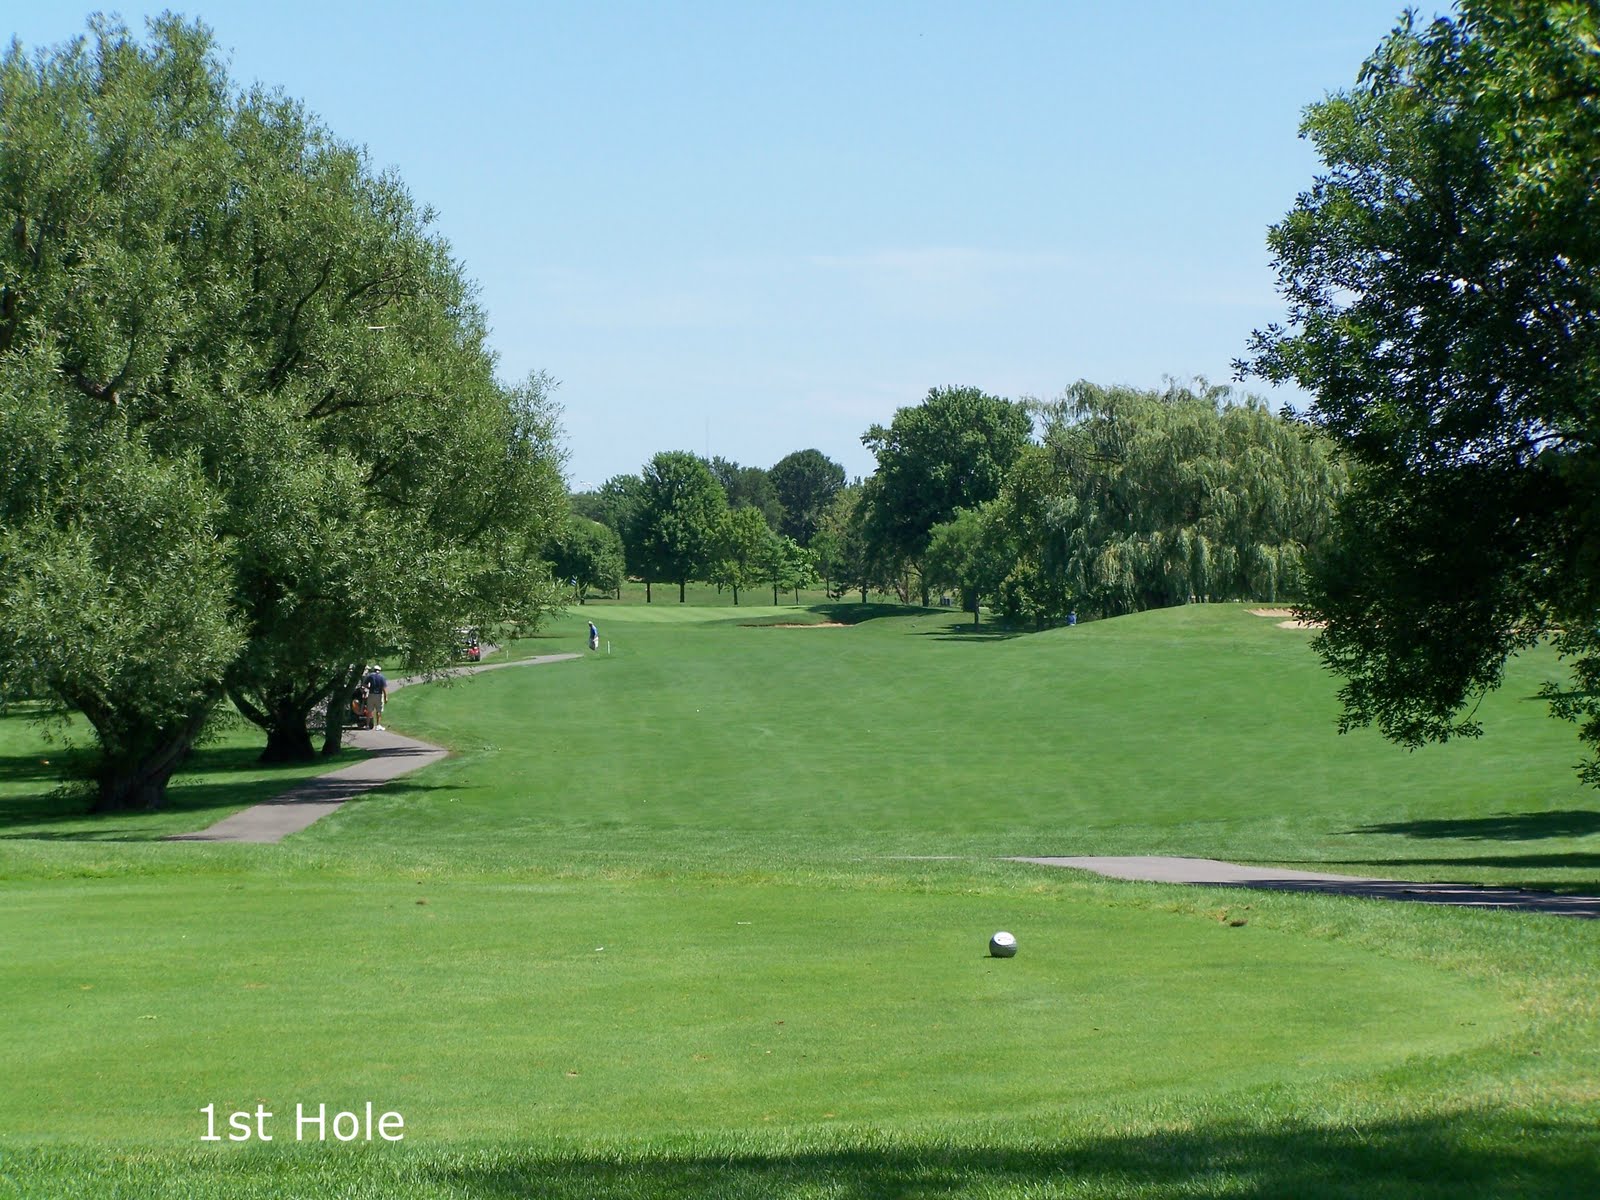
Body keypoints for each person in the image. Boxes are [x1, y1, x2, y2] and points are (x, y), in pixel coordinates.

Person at [365, 664, 388, 730]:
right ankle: (378, 725)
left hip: (371, 694)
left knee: (369, 711)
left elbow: (364, 684)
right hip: (379, 695)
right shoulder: (382, 677)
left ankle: (367, 725)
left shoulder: (370, 676)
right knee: (379, 711)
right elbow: (384, 688)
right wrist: (386, 697)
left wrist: (369, 688)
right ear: (379, 670)